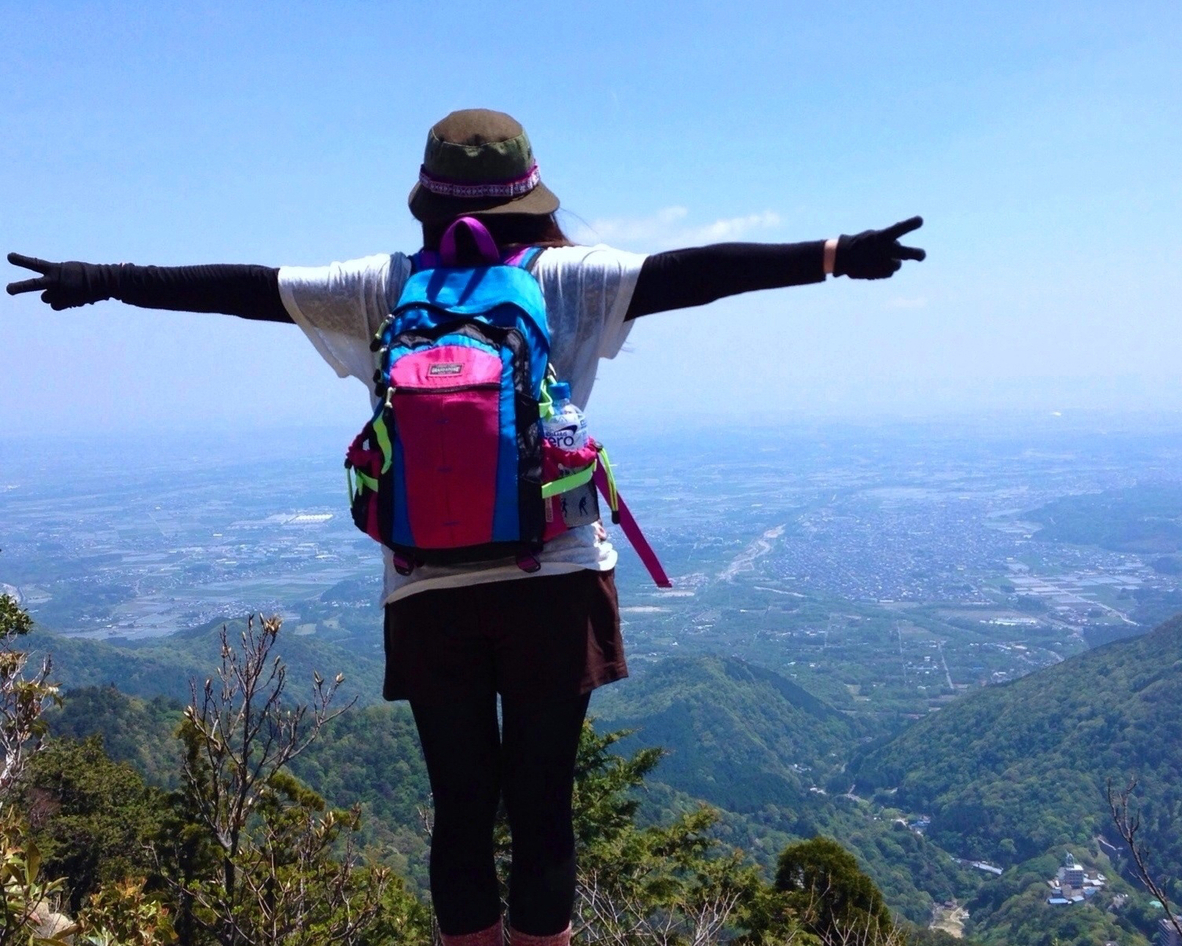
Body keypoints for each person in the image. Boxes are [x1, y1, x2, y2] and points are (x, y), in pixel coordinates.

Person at [6, 109, 925, 946]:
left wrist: (105, 280)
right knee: (542, 808)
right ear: (531, 193)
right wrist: (837, 253)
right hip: (555, 577)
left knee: (459, 807)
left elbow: (244, 287)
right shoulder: (566, 275)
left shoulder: (385, 283)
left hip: (427, 585)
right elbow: (698, 272)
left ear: (427, 195)